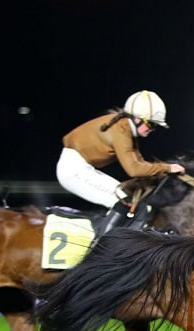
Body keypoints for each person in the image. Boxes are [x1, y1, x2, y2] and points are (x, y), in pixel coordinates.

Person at [56, 90, 185, 237]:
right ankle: (102, 250)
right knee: (122, 202)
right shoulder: (121, 130)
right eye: (150, 124)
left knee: (127, 200)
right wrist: (168, 168)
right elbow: (134, 169)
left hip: (81, 167)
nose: (151, 129)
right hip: (73, 170)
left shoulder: (126, 128)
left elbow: (140, 163)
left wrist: (164, 171)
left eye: (155, 126)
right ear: (136, 119)